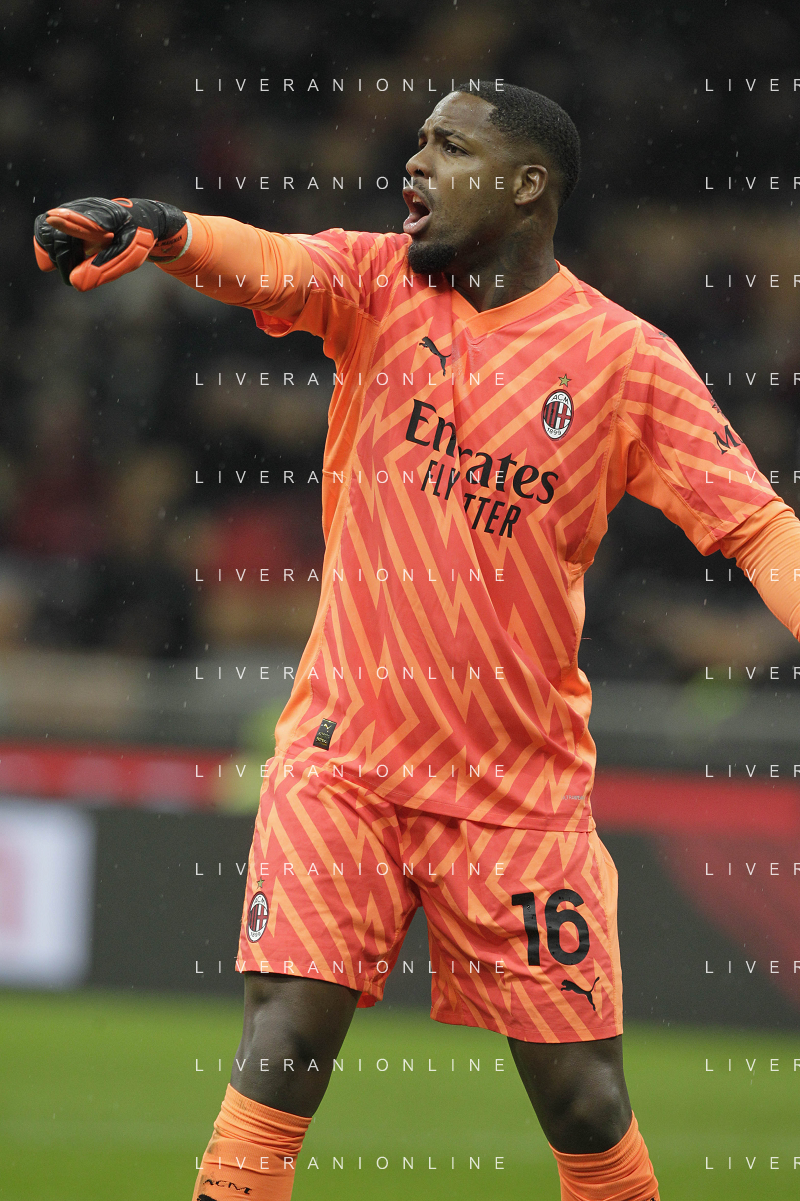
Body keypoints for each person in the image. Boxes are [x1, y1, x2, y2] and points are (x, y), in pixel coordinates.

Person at [34, 81, 800, 1201]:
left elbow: (755, 523)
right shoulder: (378, 284)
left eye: (449, 147)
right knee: (284, 1037)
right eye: (418, 143)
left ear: (526, 184)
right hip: (343, 763)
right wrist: (169, 229)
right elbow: (272, 264)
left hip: (514, 793)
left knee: (584, 1099)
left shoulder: (622, 359)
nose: (416, 164)